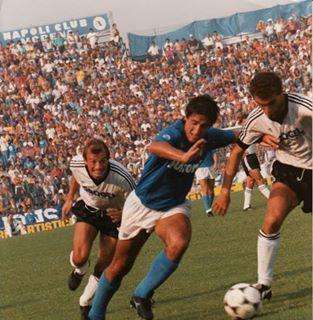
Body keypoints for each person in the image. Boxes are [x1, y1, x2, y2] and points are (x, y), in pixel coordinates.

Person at [88, 95, 241, 320]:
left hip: (172, 206)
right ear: (185, 118)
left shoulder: (210, 137)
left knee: (178, 242)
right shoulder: (174, 132)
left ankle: (141, 294)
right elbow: (155, 146)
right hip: (142, 205)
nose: (197, 130)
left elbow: (239, 135)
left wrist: (266, 135)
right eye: (194, 122)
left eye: (204, 125)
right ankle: (95, 315)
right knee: (120, 266)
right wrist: (183, 155)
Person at [213, 72, 312, 300]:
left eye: (271, 103)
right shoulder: (257, 118)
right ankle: (263, 284)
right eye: (261, 105)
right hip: (289, 170)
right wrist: (225, 191)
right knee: (272, 218)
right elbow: (237, 151)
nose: (267, 110)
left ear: (282, 93)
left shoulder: (304, 107)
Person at [61, 138, 136, 319]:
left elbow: (137, 202)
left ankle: (85, 301)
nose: (98, 166)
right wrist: (70, 197)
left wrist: (123, 213)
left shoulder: (123, 177)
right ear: (85, 160)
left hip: (113, 216)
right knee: (79, 257)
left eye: (102, 161)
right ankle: (79, 270)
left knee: (103, 264)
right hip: (89, 209)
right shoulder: (77, 163)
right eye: (93, 162)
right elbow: (76, 176)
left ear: (108, 158)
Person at [241, 144, 270, 211]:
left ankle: (246, 205)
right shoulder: (239, 134)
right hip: (248, 157)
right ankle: (273, 200)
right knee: (259, 179)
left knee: (250, 181)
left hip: (252, 156)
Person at [195, 150, 218, 216]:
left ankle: (209, 208)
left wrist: (215, 163)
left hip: (211, 167)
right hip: (200, 168)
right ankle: (208, 210)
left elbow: (214, 153)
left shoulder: (210, 142)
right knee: (205, 189)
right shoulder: (194, 144)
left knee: (211, 190)